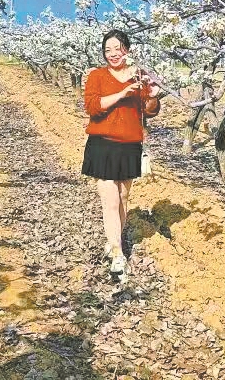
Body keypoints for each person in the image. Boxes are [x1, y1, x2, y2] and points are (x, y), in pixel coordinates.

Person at [82, 30, 160, 276]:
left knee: (124, 198)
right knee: (110, 200)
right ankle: (117, 252)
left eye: (117, 48)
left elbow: (149, 111)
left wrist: (153, 96)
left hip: (130, 144)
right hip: (103, 144)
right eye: (108, 50)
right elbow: (93, 107)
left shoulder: (140, 75)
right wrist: (121, 94)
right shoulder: (97, 75)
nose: (113, 54)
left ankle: (113, 239)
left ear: (127, 49)